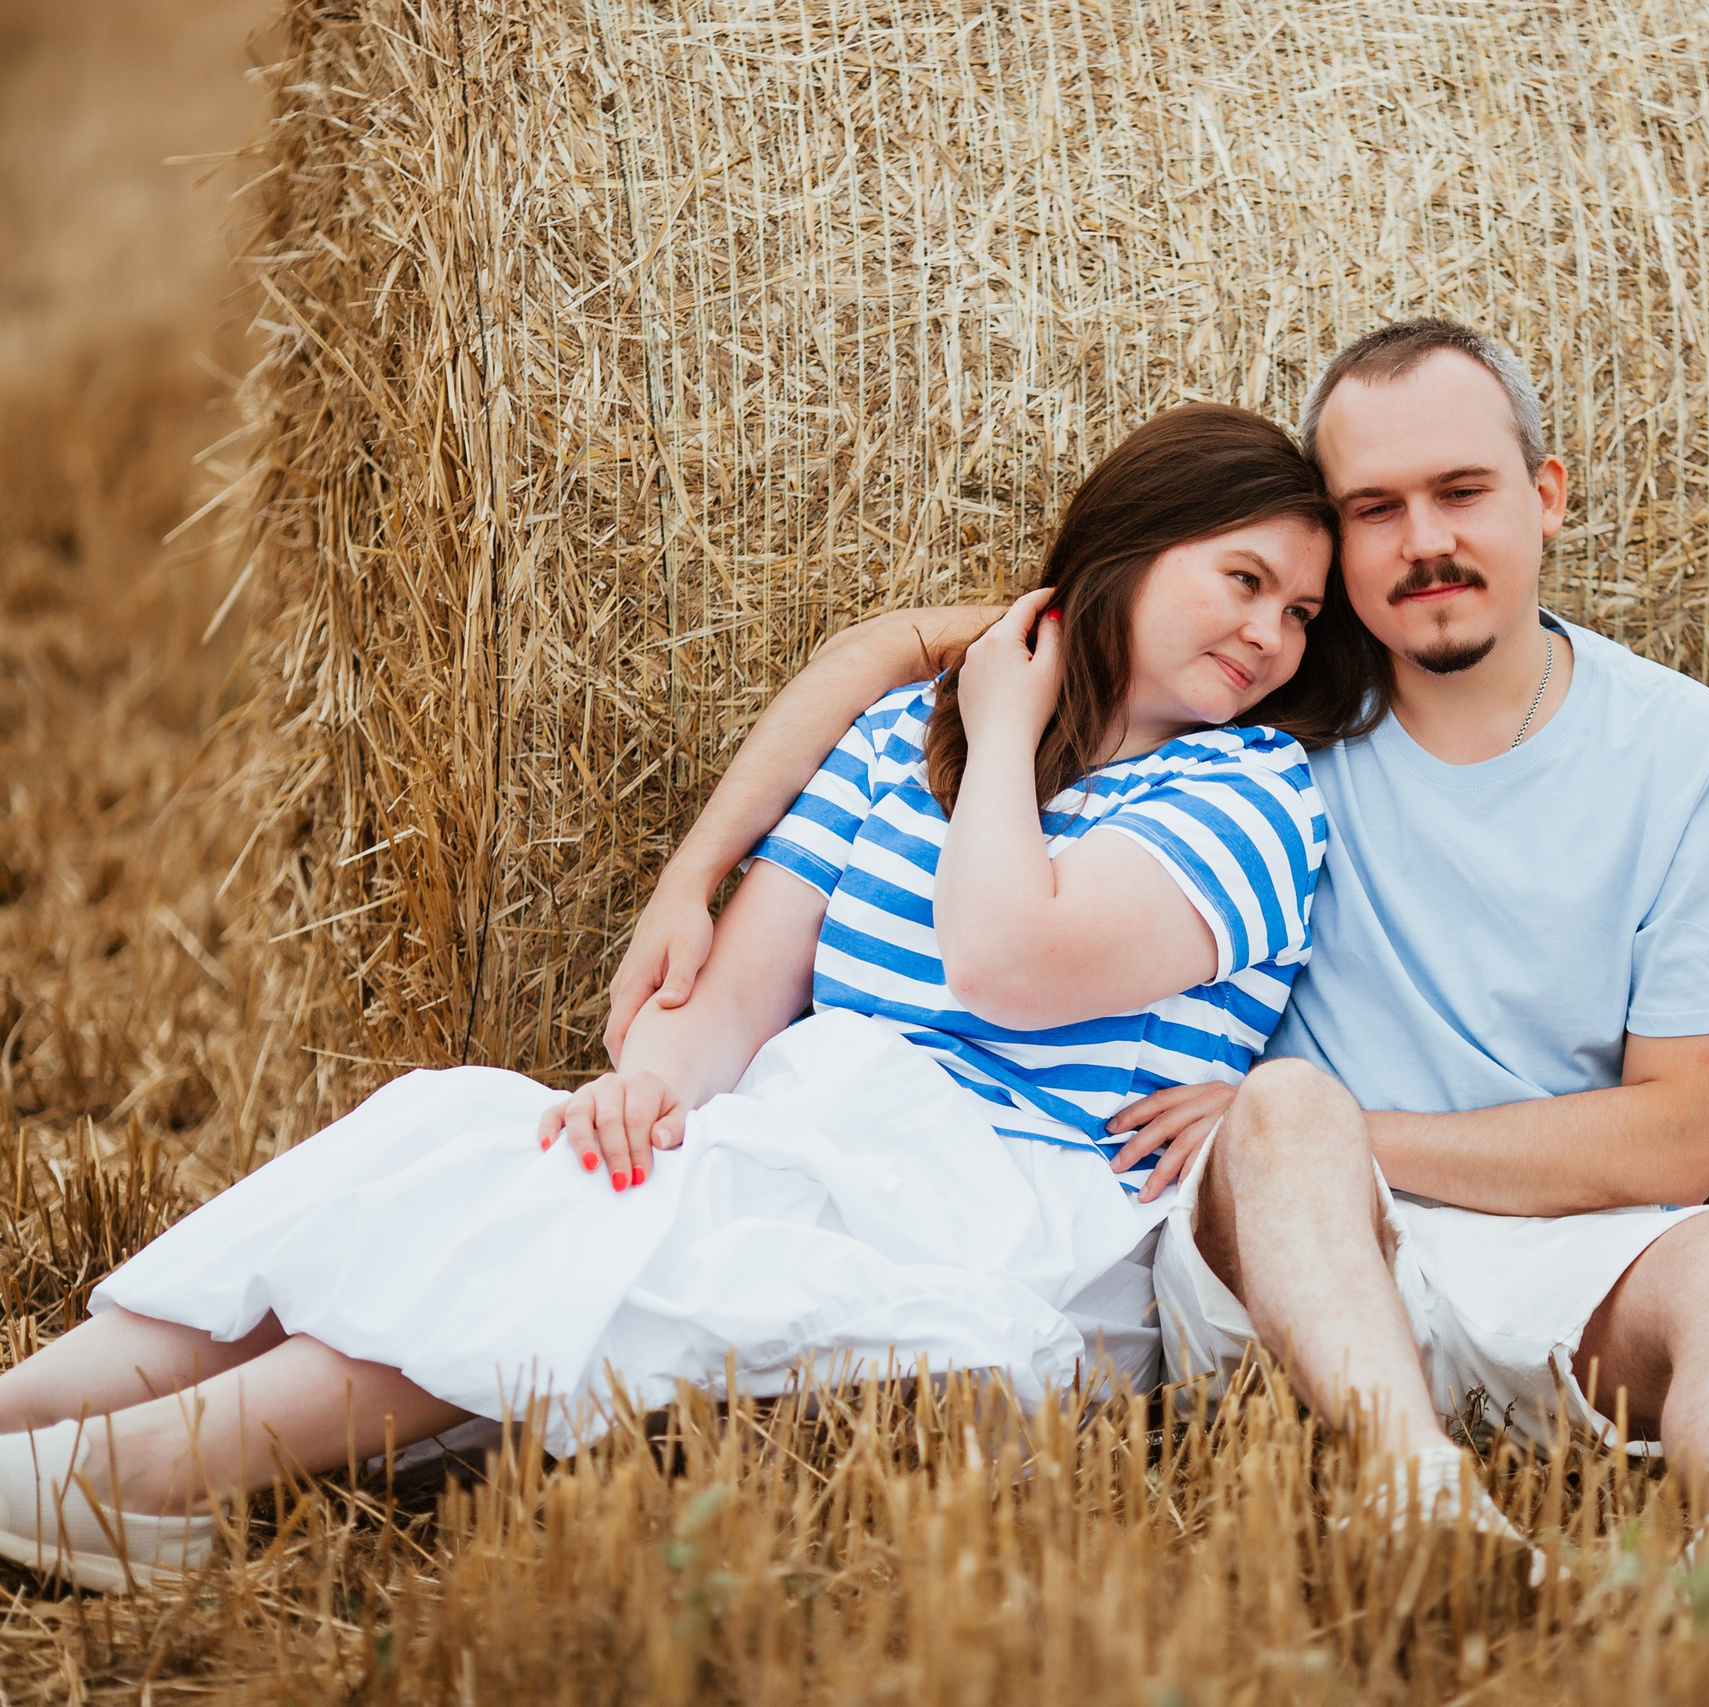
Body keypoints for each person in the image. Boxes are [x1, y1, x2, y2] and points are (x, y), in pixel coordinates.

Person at [0, 402, 1380, 1593]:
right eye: (1244, 579)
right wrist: (649, 1085)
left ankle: (129, 1476)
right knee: (474, 1129)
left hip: (1013, 1208)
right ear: (1129, 553)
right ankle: (30, 1423)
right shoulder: (909, 736)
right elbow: (737, 994)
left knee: (608, 1229)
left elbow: (1006, 957)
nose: (1270, 633)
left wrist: (1011, 725)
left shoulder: (1246, 794)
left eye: (1302, 612)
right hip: (811, 1140)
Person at [609, 321, 1709, 1558]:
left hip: (1534, 1246)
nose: (1423, 542)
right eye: (1375, 508)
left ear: (1545, 497)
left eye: (1462, 492)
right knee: (1288, 1112)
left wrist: (1351, 1133)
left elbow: (1682, 1137)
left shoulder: (1692, 757)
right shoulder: (1272, 716)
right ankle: (1418, 1499)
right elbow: (908, 647)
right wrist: (695, 875)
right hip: (1273, 1245)